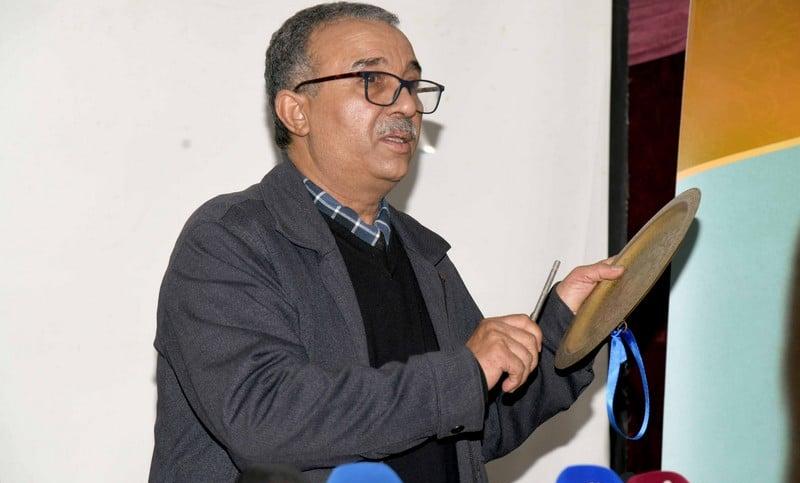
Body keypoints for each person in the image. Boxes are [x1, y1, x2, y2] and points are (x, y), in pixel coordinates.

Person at [149, 3, 624, 482]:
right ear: (296, 111)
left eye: (412, 85)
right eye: (372, 80)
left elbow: (482, 424)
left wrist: (568, 324)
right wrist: (462, 374)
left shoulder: (422, 256)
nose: (407, 106)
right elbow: (265, 418)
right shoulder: (230, 239)